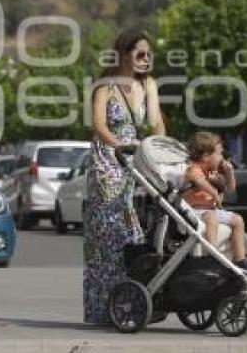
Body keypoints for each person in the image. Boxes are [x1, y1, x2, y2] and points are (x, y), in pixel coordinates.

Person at [84, 30, 165, 325]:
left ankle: (131, 300)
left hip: (133, 162)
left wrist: (165, 151)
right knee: (108, 234)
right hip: (108, 162)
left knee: (132, 233)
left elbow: (156, 122)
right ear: (124, 54)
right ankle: (102, 307)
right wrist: (120, 147)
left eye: (148, 54)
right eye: (140, 54)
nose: (146, 60)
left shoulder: (149, 85)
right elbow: (98, 125)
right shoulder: (106, 85)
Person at [183, 131, 247, 271]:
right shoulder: (194, 169)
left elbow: (231, 189)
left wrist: (230, 173)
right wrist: (214, 193)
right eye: (219, 154)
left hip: (211, 210)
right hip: (194, 210)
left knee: (238, 220)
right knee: (211, 219)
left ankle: (240, 259)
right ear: (206, 156)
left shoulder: (212, 172)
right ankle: (212, 257)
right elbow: (198, 181)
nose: (222, 158)